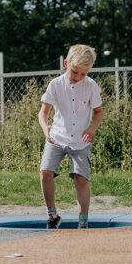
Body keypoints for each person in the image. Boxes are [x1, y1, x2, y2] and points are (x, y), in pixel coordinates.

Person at [38, 45, 104, 229]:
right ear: (66, 64)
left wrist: (91, 128)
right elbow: (43, 113)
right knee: (45, 173)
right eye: (75, 72)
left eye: (83, 74)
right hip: (57, 136)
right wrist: (45, 128)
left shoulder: (91, 86)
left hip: (80, 141)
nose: (78, 77)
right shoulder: (56, 85)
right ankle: (52, 215)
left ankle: (83, 221)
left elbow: (98, 112)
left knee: (81, 178)